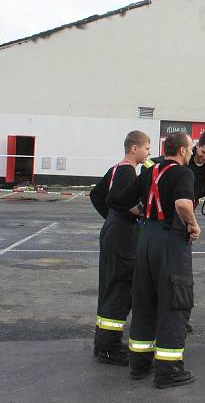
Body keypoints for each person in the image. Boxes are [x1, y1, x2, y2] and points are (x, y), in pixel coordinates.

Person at [115, 132, 201, 389]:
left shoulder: (149, 171)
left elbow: (122, 200)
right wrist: (194, 226)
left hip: (147, 240)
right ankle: (169, 371)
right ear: (184, 151)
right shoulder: (183, 173)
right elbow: (184, 203)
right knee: (175, 303)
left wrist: (146, 216)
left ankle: (139, 364)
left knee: (144, 301)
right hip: (171, 242)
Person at [143, 131, 205, 334]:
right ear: (195, 147)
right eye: (203, 152)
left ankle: (180, 319)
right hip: (169, 220)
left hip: (183, 221)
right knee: (168, 276)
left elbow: (196, 196)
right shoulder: (180, 165)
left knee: (181, 279)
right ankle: (167, 319)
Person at [89, 130, 151, 365]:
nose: (149, 152)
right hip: (123, 237)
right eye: (146, 147)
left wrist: (111, 217)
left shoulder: (116, 169)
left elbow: (97, 195)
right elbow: (122, 200)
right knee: (120, 287)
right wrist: (136, 214)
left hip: (112, 231)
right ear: (134, 149)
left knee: (109, 284)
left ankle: (103, 342)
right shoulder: (127, 171)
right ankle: (110, 347)